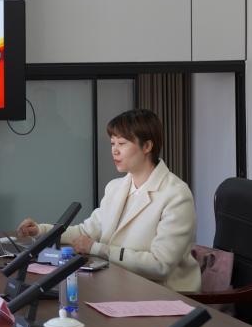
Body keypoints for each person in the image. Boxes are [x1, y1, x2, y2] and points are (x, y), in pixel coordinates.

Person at [16, 109, 201, 292]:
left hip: (161, 294)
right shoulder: (115, 188)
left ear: (147, 146)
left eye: (122, 143)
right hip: (117, 286)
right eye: (112, 143)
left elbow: (160, 265)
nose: (115, 151)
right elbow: (86, 232)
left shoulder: (176, 194)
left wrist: (97, 249)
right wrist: (40, 231)